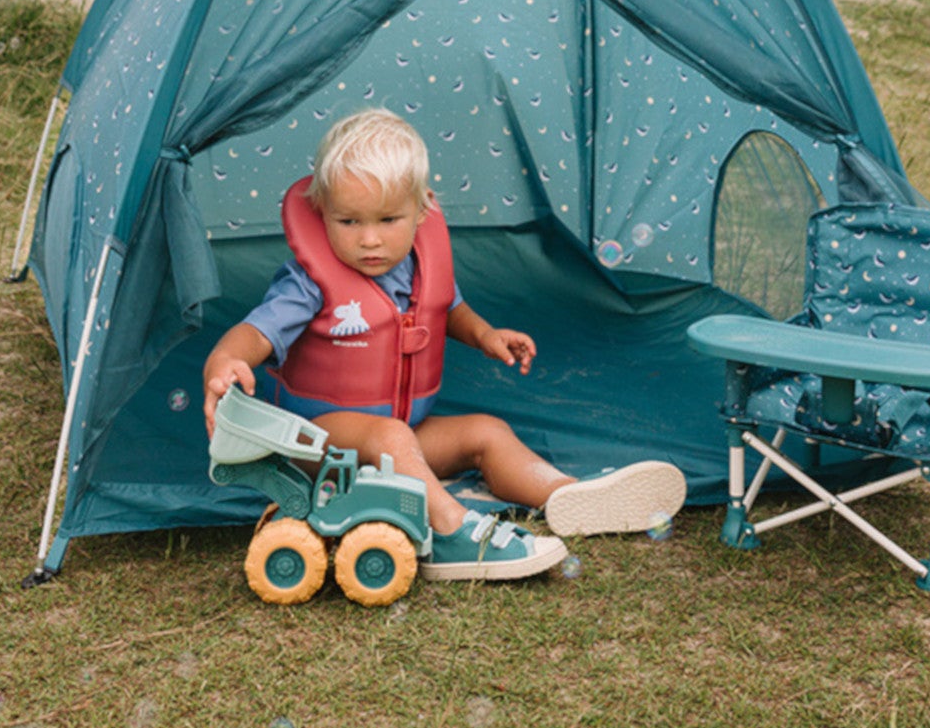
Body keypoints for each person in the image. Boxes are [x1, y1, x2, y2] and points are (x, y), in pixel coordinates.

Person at [203, 108, 686, 582]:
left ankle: (567, 495)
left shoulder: (418, 266)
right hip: (324, 446)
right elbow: (257, 330)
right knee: (391, 437)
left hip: (401, 438)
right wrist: (227, 360)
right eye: (348, 222)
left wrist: (485, 335)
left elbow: (448, 309)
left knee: (486, 432)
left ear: (422, 209)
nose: (369, 240)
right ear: (321, 212)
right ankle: (452, 532)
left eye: (388, 219)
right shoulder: (308, 282)